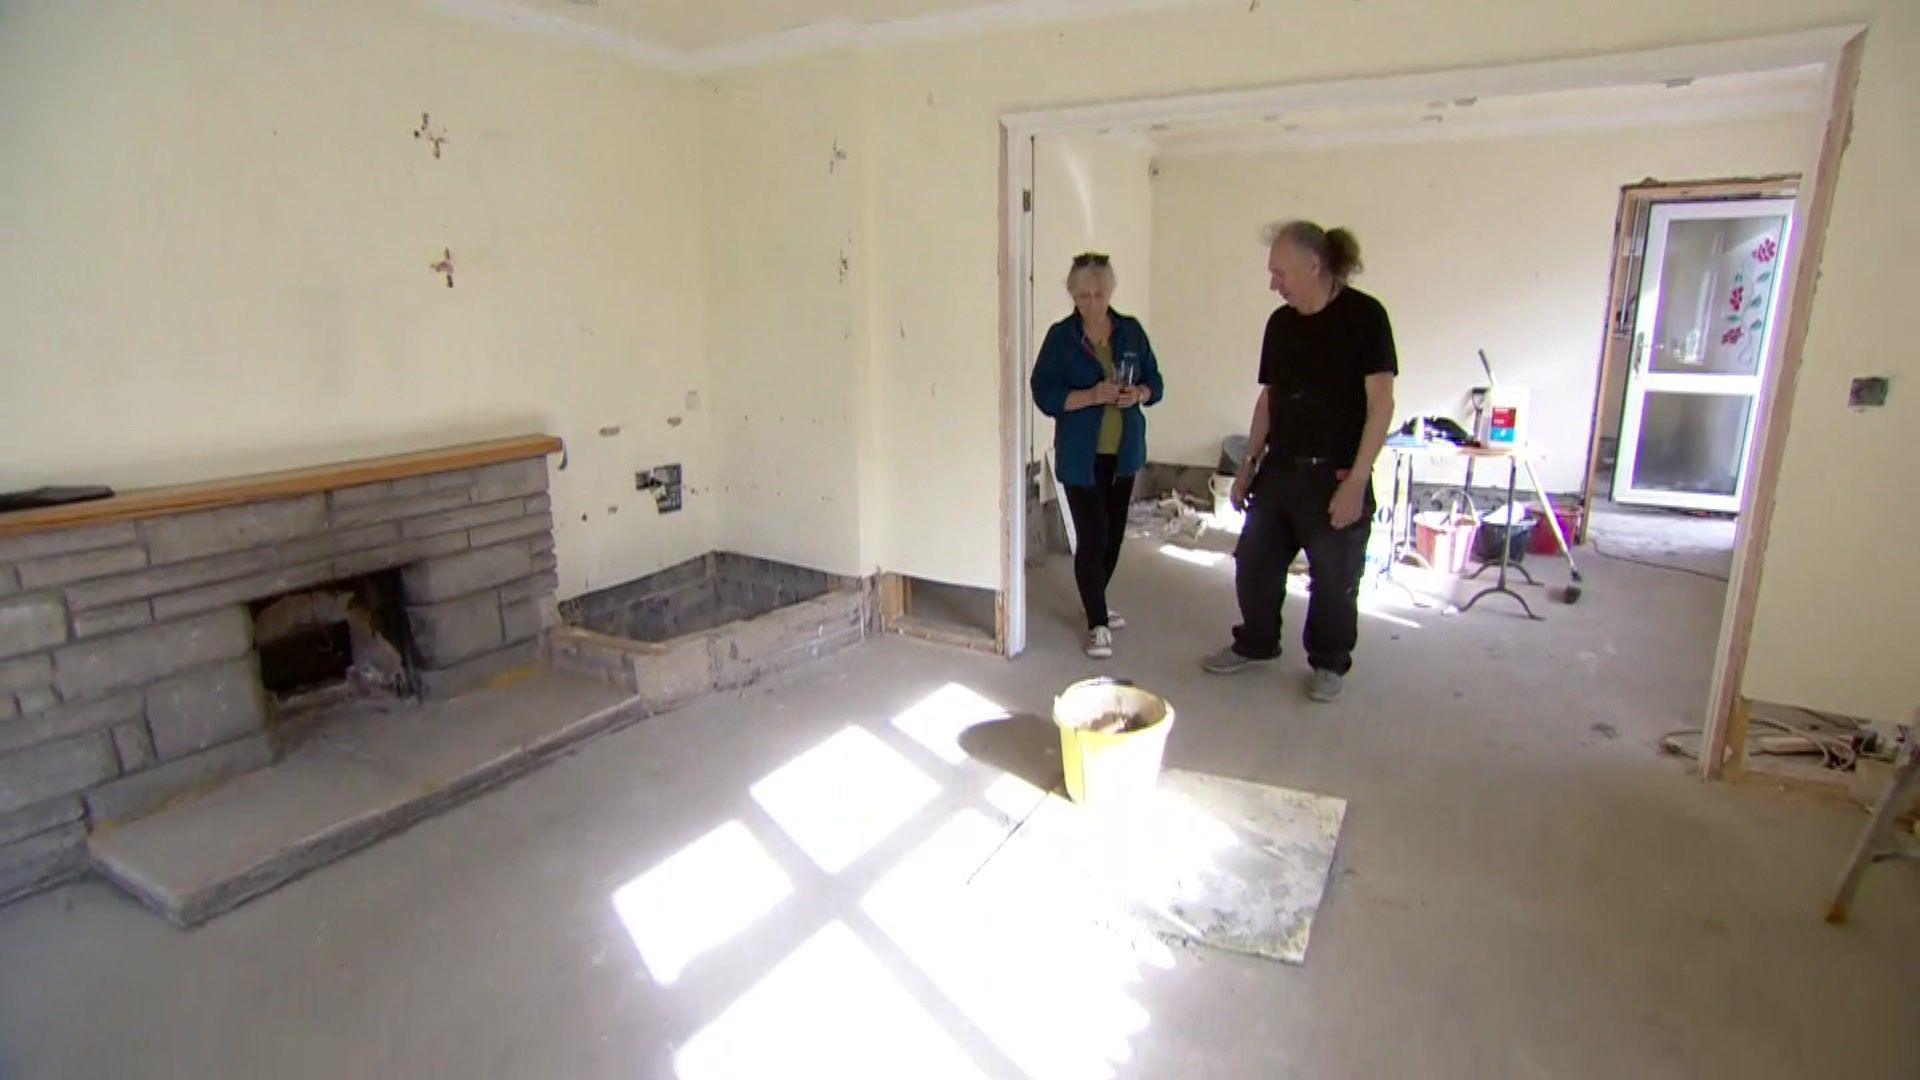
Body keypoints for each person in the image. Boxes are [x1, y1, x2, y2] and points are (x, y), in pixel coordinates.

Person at [1203, 222, 1397, 702]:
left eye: (1279, 271)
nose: (1274, 282)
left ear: (1314, 266)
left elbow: (1382, 405)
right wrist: (1247, 464)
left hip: (1334, 474)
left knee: (1334, 578)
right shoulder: (1281, 324)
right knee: (1254, 561)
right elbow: (1268, 400)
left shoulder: (1365, 317)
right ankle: (1257, 642)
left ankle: (1329, 663)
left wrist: (1356, 480)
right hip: (1281, 468)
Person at [1030, 252, 1166, 660]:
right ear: (1073, 295)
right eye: (1083, 296)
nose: (1091, 303)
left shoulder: (1130, 331)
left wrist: (1137, 394)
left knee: (1113, 538)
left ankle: (1096, 602)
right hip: (1079, 456)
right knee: (1092, 537)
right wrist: (1091, 396)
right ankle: (1097, 623)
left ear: (1111, 292)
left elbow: (1155, 382)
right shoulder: (1061, 337)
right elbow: (1044, 391)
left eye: (1099, 294)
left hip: (1123, 453)